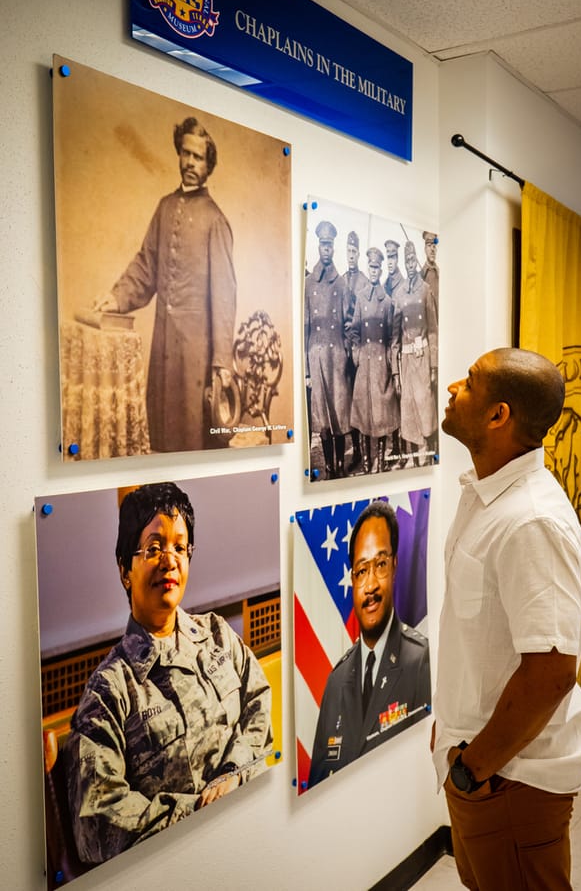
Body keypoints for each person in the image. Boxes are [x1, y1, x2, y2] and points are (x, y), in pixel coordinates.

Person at [431, 348, 581, 891]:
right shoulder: (486, 497)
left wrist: (472, 768)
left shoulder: (531, 521)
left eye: (471, 383)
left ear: (498, 415)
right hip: (487, 771)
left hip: (511, 781)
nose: (454, 386)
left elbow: (550, 673)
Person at [65, 482, 272, 864]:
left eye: (180, 547)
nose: (169, 560)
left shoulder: (217, 635)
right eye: (154, 547)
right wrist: (196, 813)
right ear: (125, 569)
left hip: (252, 835)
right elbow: (97, 822)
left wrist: (234, 773)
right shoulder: (110, 690)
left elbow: (259, 704)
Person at [94, 117, 237, 453]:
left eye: (198, 157)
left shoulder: (216, 220)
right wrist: (116, 297)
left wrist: (221, 362)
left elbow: (225, 296)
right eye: (185, 153)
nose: (189, 162)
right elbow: (146, 265)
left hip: (197, 356)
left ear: (208, 164)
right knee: (160, 439)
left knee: (191, 439)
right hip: (164, 346)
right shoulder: (164, 207)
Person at [308, 500, 431, 788]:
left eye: (380, 565)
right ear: (352, 578)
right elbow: (317, 782)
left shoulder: (420, 659)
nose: (371, 586)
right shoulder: (336, 681)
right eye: (362, 571)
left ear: (396, 565)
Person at [304, 220, 352, 479]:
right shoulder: (309, 284)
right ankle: (330, 467)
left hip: (337, 360)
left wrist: (346, 355)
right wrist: (307, 370)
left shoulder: (341, 284)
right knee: (322, 417)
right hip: (317, 358)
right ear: (318, 245)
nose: (326, 249)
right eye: (323, 244)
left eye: (330, 245)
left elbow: (348, 323)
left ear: (334, 247)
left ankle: (340, 465)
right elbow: (306, 327)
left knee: (338, 416)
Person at [347, 247, 400, 473]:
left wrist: (388, 363)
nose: (374, 271)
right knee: (363, 416)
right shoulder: (360, 298)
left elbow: (392, 337)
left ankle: (378, 464)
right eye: (371, 267)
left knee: (380, 418)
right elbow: (354, 330)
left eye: (377, 267)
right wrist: (357, 353)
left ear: (380, 270)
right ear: (367, 268)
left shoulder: (387, 303)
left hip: (380, 368)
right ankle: (367, 464)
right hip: (364, 367)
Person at [394, 240, 438, 465]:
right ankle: (415, 458)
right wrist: (395, 371)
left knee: (424, 406)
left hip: (423, 359)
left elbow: (433, 331)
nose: (410, 265)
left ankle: (426, 453)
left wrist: (433, 366)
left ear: (416, 261)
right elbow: (395, 336)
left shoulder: (426, 291)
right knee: (409, 409)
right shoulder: (399, 294)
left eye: (412, 260)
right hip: (407, 361)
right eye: (406, 261)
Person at [342, 231, 371, 473]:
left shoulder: (364, 282)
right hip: (344, 354)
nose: (351, 256)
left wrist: (358, 350)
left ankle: (365, 451)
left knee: (362, 402)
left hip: (361, 353)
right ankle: (355, 449)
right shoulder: (342, 280)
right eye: (348, 251)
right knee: (349, 404)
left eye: (354, 252)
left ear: (359, 254)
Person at [421, 230, 439, 314]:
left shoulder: (441, 274)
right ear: (425, 249)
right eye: (429, 245)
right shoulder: (420, 276)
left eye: (434, 246)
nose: (432, 249)